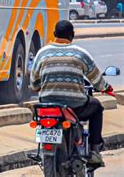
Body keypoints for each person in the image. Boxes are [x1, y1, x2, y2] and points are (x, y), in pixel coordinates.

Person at [30, 20, 113, 166]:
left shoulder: (42, 53)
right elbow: (97, 81)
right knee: (97, 107)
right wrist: (106, 88)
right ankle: (94, 150)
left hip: (48, 106)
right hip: (75, 105)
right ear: (72, 35)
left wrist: (40, 87)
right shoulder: (81, 53)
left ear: (54, 34)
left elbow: (34, 84)